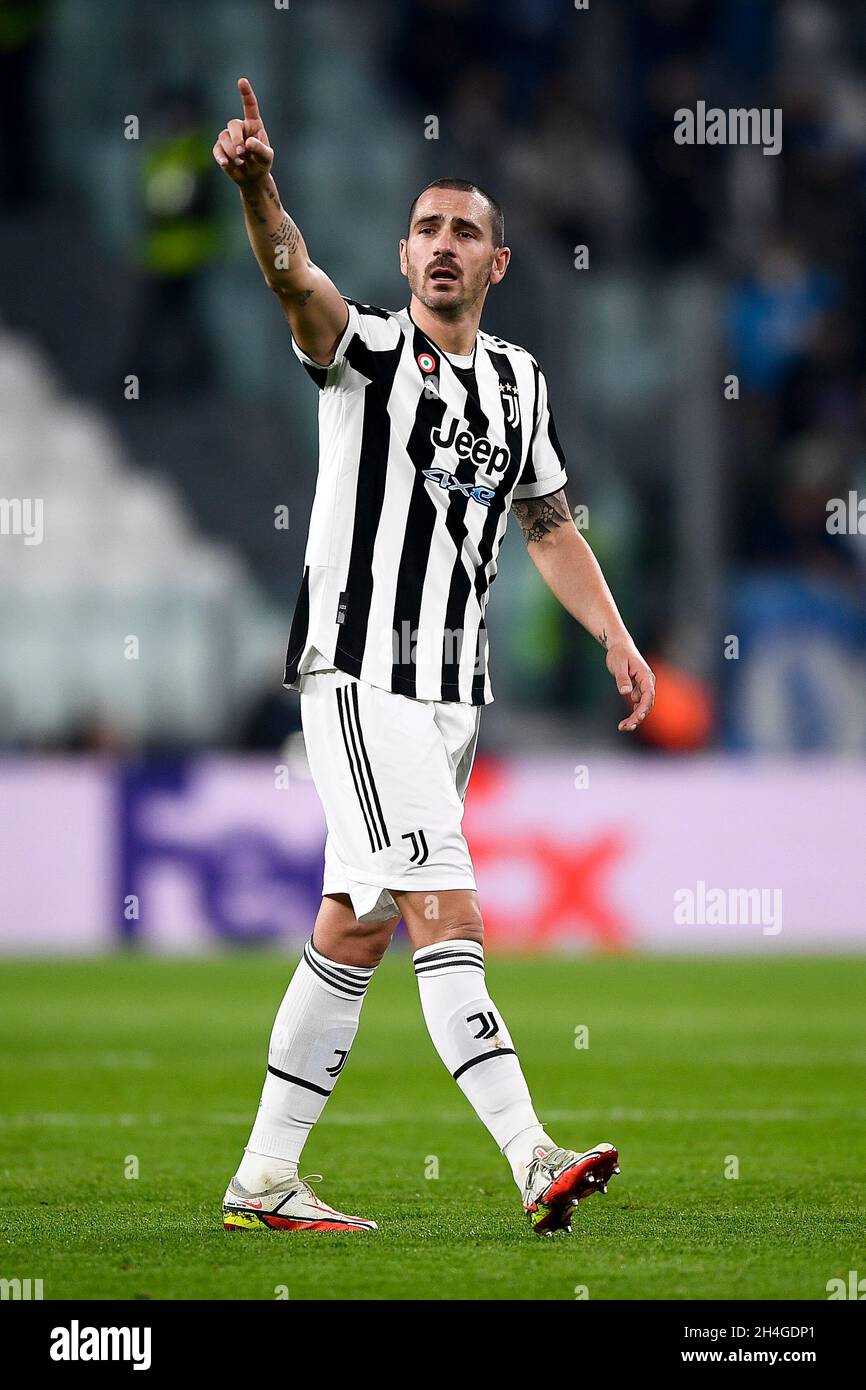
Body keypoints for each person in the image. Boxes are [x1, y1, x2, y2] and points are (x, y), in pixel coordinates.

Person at [213, 78, 655, 1236]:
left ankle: (263, 1178)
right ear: (403, 255)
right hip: (361, 676)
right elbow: (290, 279)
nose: (442, 246)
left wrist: (612, 631)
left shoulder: (519, 383)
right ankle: (530, 1156)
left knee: (354, 927)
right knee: (441, 909)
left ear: (496, 264)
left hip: (455, 692)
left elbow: (548, 526)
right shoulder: (363, 351)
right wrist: (260, 188)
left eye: (465, 231)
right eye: (426, 229)